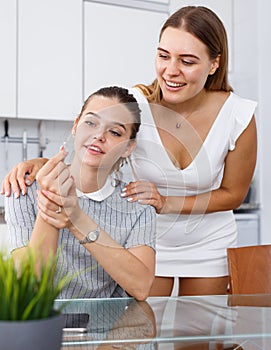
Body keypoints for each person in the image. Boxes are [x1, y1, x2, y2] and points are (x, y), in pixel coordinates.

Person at [1, 6, 257, 296]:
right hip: (145, 238)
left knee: (201, 338)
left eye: (187, 61)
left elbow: (234, 193)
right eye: (163, 56)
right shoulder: (136, 103)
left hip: (206, 240)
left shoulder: (237, 114)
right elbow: (95, 143)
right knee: (146, 327)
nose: (170, 71)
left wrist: (165, 201)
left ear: (214, 64)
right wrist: (42, 164)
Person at [4, 86, 156, 301]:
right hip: (38, 328)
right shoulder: (24, 189)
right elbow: (30, 289)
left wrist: (75, 218)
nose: (99, 136)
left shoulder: (137, 204)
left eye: (115, 132)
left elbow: (140, 288)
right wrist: (51, 197)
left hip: (105, 330)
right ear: (76, 126)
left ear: (129, 147)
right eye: (91, 123)